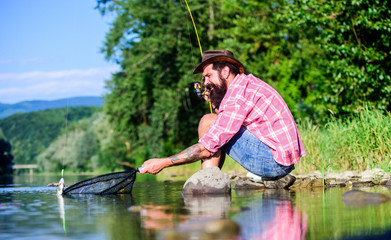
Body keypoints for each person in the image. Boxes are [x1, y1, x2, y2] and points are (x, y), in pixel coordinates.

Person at [139, 49, 305, 188]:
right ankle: (269, 178)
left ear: (225, 71)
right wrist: (214, 101)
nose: (205, 83)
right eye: (203, 79)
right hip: (280, 161)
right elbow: (228, 121)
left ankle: (208, 183)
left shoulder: (237, 96)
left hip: (274, 163)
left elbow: (208, 145)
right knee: (215, 122)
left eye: (208, 75)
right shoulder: (246, 85)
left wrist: (163, 162)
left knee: (208, 121)